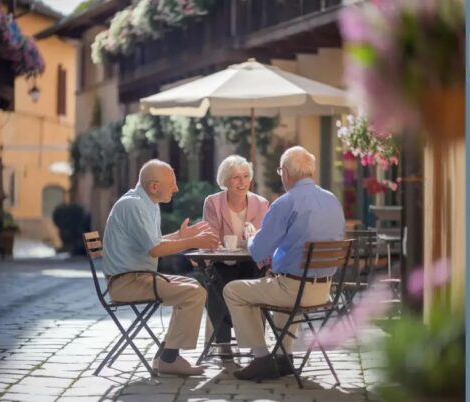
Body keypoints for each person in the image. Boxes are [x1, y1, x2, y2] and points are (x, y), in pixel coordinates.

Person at [223, 146, 345, 381]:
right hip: (324, 291)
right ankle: (283, 357)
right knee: (284, 279)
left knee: (233, 290)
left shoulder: (285, 203)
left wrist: (251, 237)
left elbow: (259, 251)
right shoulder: (332, 200)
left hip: (294, 290)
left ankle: (261, 358)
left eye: (280, 170)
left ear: (286, 173)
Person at [103, 159, 219, 376]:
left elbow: (151, 242)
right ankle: (169, 358)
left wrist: (181, 235)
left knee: (193, 286)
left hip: (136, 278)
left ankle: (168, 355)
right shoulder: (135, 205)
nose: (176, 188)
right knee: (193, 293)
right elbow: (156, 249)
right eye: (172, 183)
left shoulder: (145, 202)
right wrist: (193, 242)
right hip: (127, 283)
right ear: (154, 186)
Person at [201, 155, 269, 353]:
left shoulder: (261, 203)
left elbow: (265, 240)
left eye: (246, 176)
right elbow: (210, 237)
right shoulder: (213, 202)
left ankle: (255, 343)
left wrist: (253, 238)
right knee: (217, 284)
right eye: (236, 177)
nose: (242, 182)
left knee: (251, 284)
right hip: (222, 261)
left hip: (252, 262)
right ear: (225, 180)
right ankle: (223, 343)